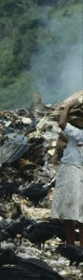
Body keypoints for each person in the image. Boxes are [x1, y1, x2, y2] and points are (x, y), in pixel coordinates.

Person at [51, 99, 83, 245]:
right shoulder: (78, 133)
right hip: (73, 172)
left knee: (72, 212)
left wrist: (69, 105)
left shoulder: (78, 134)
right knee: (73, 212)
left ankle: (74, 247)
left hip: (73, 172)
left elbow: (62, 123)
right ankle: (75, 248)